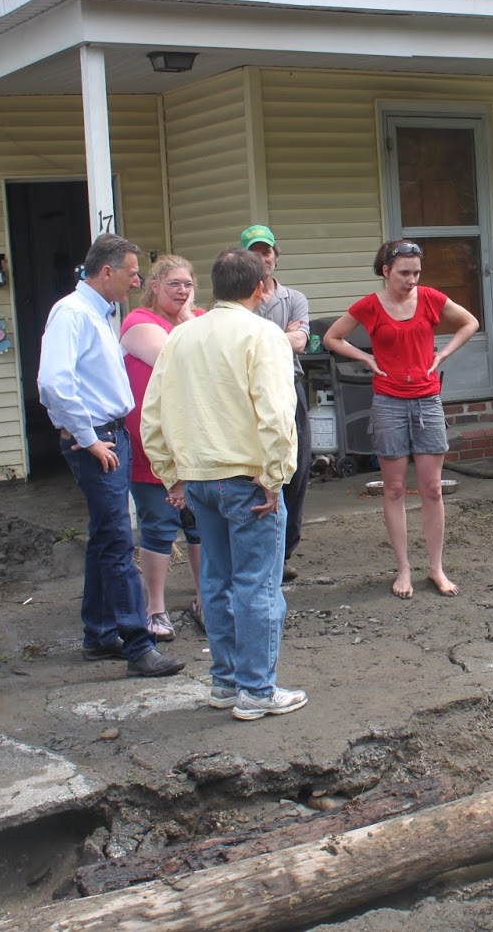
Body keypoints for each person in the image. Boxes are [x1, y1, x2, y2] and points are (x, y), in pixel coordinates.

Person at [142, 248, 305, 720]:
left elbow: (153, 414)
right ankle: (257, 689)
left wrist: (170, 473)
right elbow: (277, 414)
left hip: (199, 479)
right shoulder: (264, 335)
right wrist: (276, 478)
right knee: (257, 585)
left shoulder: (182, 336)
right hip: (247, 479)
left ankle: (226, 682)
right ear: (260, 288)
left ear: (212, 287)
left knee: (216, 580)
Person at [38, 233, 185, 679]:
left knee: (106, 538)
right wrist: (88, 437)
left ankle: (100, 634)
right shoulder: (72, 313)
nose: (136, 280)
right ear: (106, 273)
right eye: (131, 272)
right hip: (97, 438)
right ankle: (138, 645)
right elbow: (53, 383)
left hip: (109, 434)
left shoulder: (96, 313)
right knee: (120, 540)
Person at [323, 239, 479, 599]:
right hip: (389, 402)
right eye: (404, 273)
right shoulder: (369, 306)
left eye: (417, 273)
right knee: (393, 489)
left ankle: (437, 568)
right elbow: (333, 337)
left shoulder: (430, 299)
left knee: (433, 488)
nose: (412, 280)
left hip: (427, 401)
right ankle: (404, 569)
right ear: (386, 271)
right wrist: (366, 360)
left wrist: (442, 355)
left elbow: (469, 323)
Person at [121, 254, 204, 640]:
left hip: (198, 443)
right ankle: (154, 608)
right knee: (158, 525)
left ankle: (206, 598)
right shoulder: (139, 323)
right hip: (153, 444)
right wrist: (191, 325)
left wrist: (189, 317)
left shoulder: (198, 318)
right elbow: (175, 359)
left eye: (187, 284)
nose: (182, 291)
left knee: (200, 525)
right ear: (153, 287)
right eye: (173, 284)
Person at [240, 225, 312, 583]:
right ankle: (260, 552)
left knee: (296, 469)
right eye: (254, 252)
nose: (262, 258)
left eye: (266, 251)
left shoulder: (294, 298)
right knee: (259, 469)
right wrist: (283, 336)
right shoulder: (239, 301)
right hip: (250, 392)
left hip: (291, 386)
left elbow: (300, 343)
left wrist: (265, 338)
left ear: (275, 256)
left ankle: (283, 553)